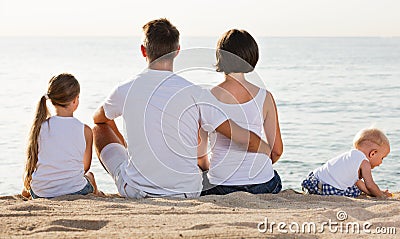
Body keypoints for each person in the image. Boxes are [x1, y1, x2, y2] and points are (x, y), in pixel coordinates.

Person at [93, 18, 271, 199]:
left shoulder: (126, 88)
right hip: (187, 192)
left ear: (143, 51)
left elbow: (99, 119)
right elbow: (245, 138)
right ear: (177, 51)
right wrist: (268, 152)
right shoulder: (196, 93)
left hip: (138, 191)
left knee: (98, 129)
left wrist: (126, 145)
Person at [199, 29, 283, 195]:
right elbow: (277, 150)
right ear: (251, 56)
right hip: (262, 183)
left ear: (220, 57)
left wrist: (214, 173)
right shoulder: (265, 97)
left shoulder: (206, 98)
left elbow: (200, 156)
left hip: (221, 184)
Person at [22, 73, 101, 199]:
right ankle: (97, 194)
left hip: (40, 192)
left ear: (52, 100)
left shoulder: (40, 127)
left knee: (36, 182)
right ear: (75, 100)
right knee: (90, 176)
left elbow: (36, 160)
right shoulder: (85, 130)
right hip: (75, 190)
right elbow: (85, 167)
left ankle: (27, 193)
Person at [301, 127, 392, 198]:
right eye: (382, 158)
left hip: (313, 182)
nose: (381, 163)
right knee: (354, 191)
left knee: (356, 187)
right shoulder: (365, 163)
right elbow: (370, 185)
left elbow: (360, 185)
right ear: (373, 153)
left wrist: (378, 192)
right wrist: (381, 196)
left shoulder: (350, 156)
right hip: (328, 189)